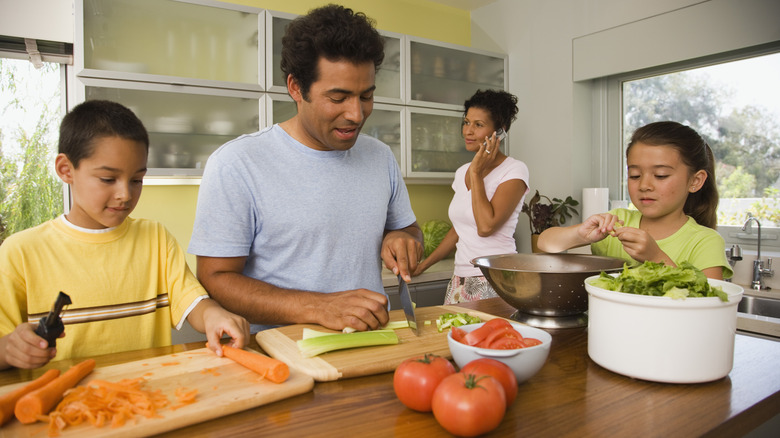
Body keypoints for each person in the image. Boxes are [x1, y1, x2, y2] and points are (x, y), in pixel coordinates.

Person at [188, 4, 423, 333]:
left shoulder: (380, 157)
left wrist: (403, 239)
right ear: (296, 87)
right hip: (280, 361)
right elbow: (215, 279)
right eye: (338, 98)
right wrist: (319, 306)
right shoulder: (237, 163)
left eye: (366, 95)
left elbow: (409, 230)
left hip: (370, 348)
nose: (357, 114)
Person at [0, 100, 249, 370]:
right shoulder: (20, 252)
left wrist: (214, 315)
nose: (125, 194)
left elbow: (193, 304)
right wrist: (9, 350)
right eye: (108, 179)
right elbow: (4, 347)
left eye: (136, 180)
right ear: (66, 170)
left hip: (147, 394)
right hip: (63, 403)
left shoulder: (155, 238)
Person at [537, 121, 731, 279]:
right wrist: (580, 234)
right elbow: (546, 243)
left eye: (661, 175)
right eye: (635, 175)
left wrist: (656, 258)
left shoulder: (705, 242)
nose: (644, 185)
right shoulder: (618, 221)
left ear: (695, 181)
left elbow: (709, 303)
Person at [413, 89, 529, 303]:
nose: (468, 131)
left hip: (496, 277)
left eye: (478, 125)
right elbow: (459, 229)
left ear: (500, 132)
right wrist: (424, 265)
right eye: (466, 122)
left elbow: (485, 227)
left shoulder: (514, 171)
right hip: (460, 277)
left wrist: (476, 173)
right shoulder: (461, 172)